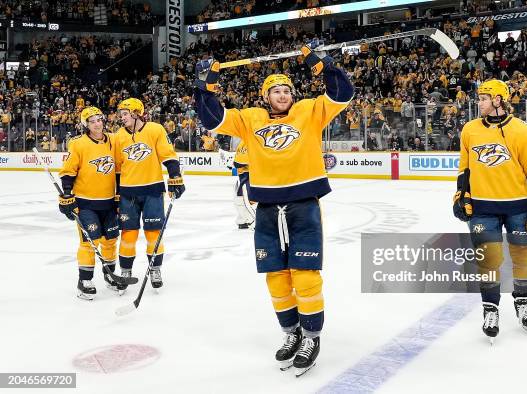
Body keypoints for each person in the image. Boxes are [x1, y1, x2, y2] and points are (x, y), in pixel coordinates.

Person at [194, 47, 354, 376]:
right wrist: (208, 83)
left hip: (304, 206)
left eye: (286, 91)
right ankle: (291, 333)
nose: (282, 95)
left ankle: (311, 337)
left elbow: (343, 92)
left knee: (305, 276)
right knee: (277, 279)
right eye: (275, 91)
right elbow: (211, 117)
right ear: (265, 96)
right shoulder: (249, 118)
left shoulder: (310, 111)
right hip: (267, 208)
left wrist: (321, 65)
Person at [452, 79, 527, 343]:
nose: (479, 102)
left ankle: (522, 303)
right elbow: (465, 169)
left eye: (484, 98)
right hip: (483, 208)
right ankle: (491, 309)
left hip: (519, 206)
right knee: (489, 260)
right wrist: (462, 195)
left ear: (498, 100)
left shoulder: (522, 130)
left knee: (523, 257)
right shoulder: (469, 130)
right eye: (479, 97)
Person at [113, 98, 185, 293]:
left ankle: (155, 268)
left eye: (125, 113)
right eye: (121, 114)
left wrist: (175, 176)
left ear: (136, 113)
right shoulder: (118, 136)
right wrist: (116, 194)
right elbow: (117, 169)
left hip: (152, 190)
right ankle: (125, 271)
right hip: (128, 192)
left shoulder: (155, 129)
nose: (122, 117)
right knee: (128, 234)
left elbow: (168, 155)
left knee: (154, 233)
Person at [58, 106, 122, 300]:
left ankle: (110, 275)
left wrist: (119, 195)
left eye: (99, 119)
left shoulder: (113, 140)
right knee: (89, 241)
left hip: (109, 202)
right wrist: (67, 195)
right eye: (92, 121)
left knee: (110, 241)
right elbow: (68, 172)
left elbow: (118, 171)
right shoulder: (78, 144)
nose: (97, 123)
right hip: (86, 203)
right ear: (86, 124)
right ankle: (84, 280)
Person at [232, 140, 256, 229]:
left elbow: (239, 163)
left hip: (249, 175)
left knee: (244, 199)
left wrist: (235, 163)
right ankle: (242, 220)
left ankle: (252, 220)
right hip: (243, 175)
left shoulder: (250, 142)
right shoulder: (242, 142)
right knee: (240, 197)